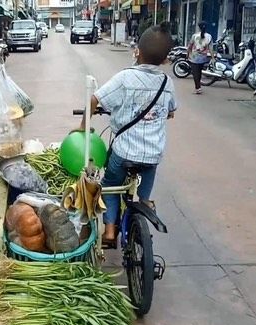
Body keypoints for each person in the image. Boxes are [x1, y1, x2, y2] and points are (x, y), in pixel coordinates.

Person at [79, 22, 178, 245]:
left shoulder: (125, 78)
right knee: (149, 171)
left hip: (124, 152)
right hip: (153, 153)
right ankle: (145, 201)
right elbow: (171, 110)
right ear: (165, 60)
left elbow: (94, 99)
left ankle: (110, 230)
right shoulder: (167, 82)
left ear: (137, 52)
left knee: (111, 184)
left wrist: (83, 125)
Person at [187, 21, 212, 94]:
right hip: (203, 57)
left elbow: (190, 45)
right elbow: (210, 48)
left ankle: (198, 88)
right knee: (199, 72)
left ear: (199, 27)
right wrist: (213, 57)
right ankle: (198, 87)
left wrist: (188, 53)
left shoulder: (195, 36)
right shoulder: (209, 36)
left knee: (195, 73)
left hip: (194, 57)